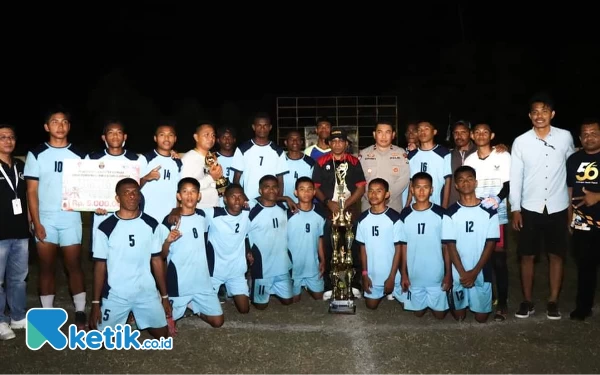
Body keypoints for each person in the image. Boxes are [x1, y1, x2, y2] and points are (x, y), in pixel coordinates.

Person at [509, 93, 575, 320]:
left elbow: (572, 171)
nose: (539, 116)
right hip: (530, 207)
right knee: (526, 255)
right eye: (535, 111)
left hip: (558, 206)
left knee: (556, 254)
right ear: (530, 115)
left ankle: (553, 300)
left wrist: (570, 206)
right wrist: (515, 208)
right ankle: (527, 301)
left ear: (552, 114)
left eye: (544, 111)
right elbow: (515, 177)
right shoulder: (521, 141)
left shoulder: (565, 137)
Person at [24, 109, 88, 329]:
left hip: (71, 216)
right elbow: (31, 191)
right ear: (46, 127)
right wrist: (36, 221)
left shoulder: (80, 154)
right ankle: (47, 317)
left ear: (69, 126)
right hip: (46, 219)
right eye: (55, 122)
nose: (60, 126)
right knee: (47, 267)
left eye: (64, 122)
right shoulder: (36, 154)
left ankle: (80, 311)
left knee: (74, 265)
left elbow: (93, 185)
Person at [89, 178, 171, 339]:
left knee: (163, 336)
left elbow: (157, 261)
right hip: (117, 294)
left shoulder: (151, 223)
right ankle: (125, 316)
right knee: (99, 341)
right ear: (117, 198)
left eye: (135, 192)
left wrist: (165, 297)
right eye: (126, 193)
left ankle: (135, 316)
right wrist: (95, 303)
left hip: (145, 292)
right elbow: (99, 266)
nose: (132, 196)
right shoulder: (105, 227)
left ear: (140, 196)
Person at [159, 177, 224, 330]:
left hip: (202, 281)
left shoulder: (202, 216)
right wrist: (168, 241)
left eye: (193, 192)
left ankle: (193, 306)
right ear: (178, 196)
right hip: (180, 283)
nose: (189, 196)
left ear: (199, 196)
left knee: (218, 322)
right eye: (185, 192)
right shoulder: (169, 221)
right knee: (163, 329)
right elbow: (161, 255)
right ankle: (167, 305)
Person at [464, 121, 511, 321]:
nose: (481, 135)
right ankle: (485, 298)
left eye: (486, 132)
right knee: (480, 258)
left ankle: (503, 302)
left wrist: (498, 199)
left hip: (496, 216)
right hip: (477, 216)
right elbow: (466, 186)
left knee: (499, 260)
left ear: (492, 136)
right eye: (477, 132)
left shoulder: (503, 155)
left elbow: (508, 183)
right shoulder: (470, 159)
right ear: (472, 136)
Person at [312, 128, 366, 299]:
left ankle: (355, 282)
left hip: (349, 210)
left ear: (346, 143)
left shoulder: (354, 162)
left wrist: (345, 204)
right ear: (329, 143)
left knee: (353, 245)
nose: (337, 144)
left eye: (340, 141)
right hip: (328, 210)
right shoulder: (321, 162)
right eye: (333, 141)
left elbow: (361, 187)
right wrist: (329, 203)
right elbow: (316, 187)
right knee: (329, 245)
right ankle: (329, 283)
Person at [446, 166, 500, 323]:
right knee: (459, 317)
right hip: (459, 273)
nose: (465, 183)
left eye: (469, 179)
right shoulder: (450, 212)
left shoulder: (489, 210)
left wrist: (475, 272)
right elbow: (450, 245)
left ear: (476, 182)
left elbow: (490, 244)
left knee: (481, 318)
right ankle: (453, 297)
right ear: (456, 185)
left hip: (481, 271)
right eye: (461, 180)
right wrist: (463, 273)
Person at [399, 172, 453, 319]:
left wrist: (448, 274)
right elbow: (403, 246)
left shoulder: (441, 214)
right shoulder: (405, 214)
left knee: (440, 316)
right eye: (418, 187)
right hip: (415, 275)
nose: (421, 191)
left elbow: (446, 246)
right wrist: (404, 273)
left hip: (436, 275)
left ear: (432, 190)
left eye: (426, 187)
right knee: (418, 313)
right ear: (412, 189)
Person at [86, 120, 144, 255]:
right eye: (110, 133)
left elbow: (140, 186)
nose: (115, 136)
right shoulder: (92, 159)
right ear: (104, 137)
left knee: (126, 255)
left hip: (128, 217)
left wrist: (172, 153)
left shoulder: (135, 160)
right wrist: (92, 206)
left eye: (119, 133)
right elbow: (86, 188)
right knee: (102, 260)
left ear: (125, 137)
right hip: (102, 215)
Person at [567, 119, 600, 320]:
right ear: (580, 138)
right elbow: (570, 188)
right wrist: (569, 217)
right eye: (585, 134)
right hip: (581, 222)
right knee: (585, 267)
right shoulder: (573, 159)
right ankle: (583, 306)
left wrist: (597, 196)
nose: (589, 137)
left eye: (594, 133)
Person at [0, 124, 29, 340]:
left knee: (18, 278)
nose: (8, 141)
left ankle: (18, 317)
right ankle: (1, 321)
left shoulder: (20, 165)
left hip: (20, 232)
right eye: (2, 137)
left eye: (11, 137)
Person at [203, 183, 251, 314]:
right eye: (232, 196)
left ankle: (228, 291)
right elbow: (191, 212)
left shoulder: (247, 214)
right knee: (212, 313)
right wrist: (177, 210)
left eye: (240, 196)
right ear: (225, 199)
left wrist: (248, 251)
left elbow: (245, 236)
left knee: (244, 310)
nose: (237, 200)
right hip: (215, 272)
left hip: (236, 271)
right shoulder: (213, 213)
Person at [247, 175, 293, 309]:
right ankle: (252, 284)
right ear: (260, 190)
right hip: (263, 268)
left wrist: (285, 198)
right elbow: (243, 234)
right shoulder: (252, 210)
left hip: (282, 266)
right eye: (267, 187)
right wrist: (247, 251)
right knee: (261, 307)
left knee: (288, 302)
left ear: (278, 189)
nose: (271, 190)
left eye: (274, 187)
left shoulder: (283, 208)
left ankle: (274, 288)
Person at [356, 178, 403, 309]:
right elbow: (363, 249)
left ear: (387, 194)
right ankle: (381, 292)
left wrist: (392, 277)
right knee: (371, 306)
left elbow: (399, 249)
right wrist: (364, 275)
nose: (374, 194)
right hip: (373, 277)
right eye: (370, 191)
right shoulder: (362, 219)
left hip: (393, 276)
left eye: (379, 191)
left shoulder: (394, 218)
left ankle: (393, 290)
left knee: (412, 308)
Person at [231, 113, 289, 204]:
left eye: (265, 125)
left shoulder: (278, 151)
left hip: (270, 202)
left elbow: (280, 181)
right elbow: (236, 180)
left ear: (270, 127)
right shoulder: (242, 149)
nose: (262, 128)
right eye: (259, 125)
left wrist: (276, 201)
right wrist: (245, 199)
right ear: (254, 127)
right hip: (248, 201)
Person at [287, 177, 326, 302]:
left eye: (310, 189)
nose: (306, 192)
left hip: (312, 265)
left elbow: (319, 238)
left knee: (319, 297)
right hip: (294, 266)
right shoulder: (288, 213)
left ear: (314, 192)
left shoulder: (320, 213)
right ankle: (299, 285)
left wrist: (323, 259)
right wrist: (285, 198)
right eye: (302, 189)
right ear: (295, 193)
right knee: (293, 301)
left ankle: (308, 286)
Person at [359, 121, 410, 213]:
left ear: (393, 135)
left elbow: (404, 178)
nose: (383, 136)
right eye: (380, 132)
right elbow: (360, 179)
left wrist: (388, 196)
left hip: (393, 204)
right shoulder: (364, 154)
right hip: (369, 204)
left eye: (387, 132)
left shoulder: (401, 153)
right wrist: (371, 196)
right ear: (374, 134)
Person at [140, 123, 182, 223]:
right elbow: (131, 187)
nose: (166, 138)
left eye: (170, 135)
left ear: (175, 138)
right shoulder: (145, 159)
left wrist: (177, 208)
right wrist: (146, 178)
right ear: (155, 138)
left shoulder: (178, 162)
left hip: (169, 216)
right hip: (147, 214)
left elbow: (180, 189)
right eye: (162, 135)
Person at [405, 121, 452, 208]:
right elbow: (411, 181)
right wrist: (407, 203)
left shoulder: (444, 153)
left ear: (434, 132)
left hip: (436, 204)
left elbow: (448, 181)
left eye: (426, 129)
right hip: (416, 206)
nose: (423, 132)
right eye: (419, 130)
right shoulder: (411, 155)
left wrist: (444, 206)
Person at [180, 122, 222, 209]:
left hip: (215, 208)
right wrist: (211, 178)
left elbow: (216, 184)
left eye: (213, 135)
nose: (211, 138)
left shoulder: (212, 158)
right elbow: (186, 188)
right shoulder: (189, 159)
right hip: (199, 209)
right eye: (206, 135)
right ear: (196, 137)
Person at [446, 121, 477, 206]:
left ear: (470, 134)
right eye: (456, 133)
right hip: (453, 205)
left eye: (463, 132)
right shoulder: (448, 155)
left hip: (476, 204)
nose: (459, 136)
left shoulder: (479, 152)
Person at [283, 130, 315, 203]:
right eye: (291, 139)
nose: (295, 141)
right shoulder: (280, 161)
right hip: (284, 205)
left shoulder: (310, 162)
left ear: (301, 142)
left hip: (304, 206)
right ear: (286, 142)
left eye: (297, 139)